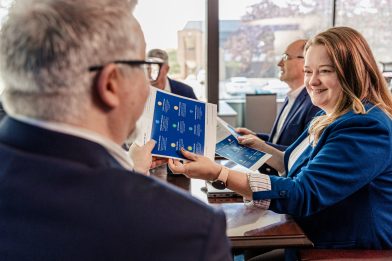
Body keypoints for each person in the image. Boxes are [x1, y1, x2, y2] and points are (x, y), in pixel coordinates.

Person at [0, 1, 231, 260]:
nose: (148, 83)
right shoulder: (187, 231)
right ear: (110, 84)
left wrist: (133, 170)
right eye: (144, 68)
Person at [169, 26, 392, 251]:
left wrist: (220, 174)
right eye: (308, 71)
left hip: (342, 250)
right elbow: (290, 162)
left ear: (352, 72)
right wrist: (264, 148)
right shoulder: (326, 116)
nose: (312, 81)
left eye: (325, 71)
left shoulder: (365, 126)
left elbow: (304, 193)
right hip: (309, 236)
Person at [236, 39, 320, 175]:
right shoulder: (291, 97)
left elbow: (303, 153)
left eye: (286, 57)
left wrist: (261, 146)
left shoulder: (315, 103)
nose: (279, 63)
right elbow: (281, 139)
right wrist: (256, 137)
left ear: (305, 62)